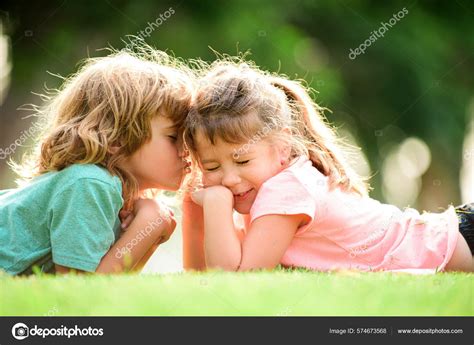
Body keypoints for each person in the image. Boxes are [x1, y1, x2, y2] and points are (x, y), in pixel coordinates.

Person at [182, 59, 474, 273]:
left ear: (283, 147)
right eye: (211, 166)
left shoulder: (285, 189)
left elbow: (236, 279)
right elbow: (203, 279)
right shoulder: (266, 190)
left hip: (461, 240)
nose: (230, 179)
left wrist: (217, 203)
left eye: (242, 160)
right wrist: (194, 211)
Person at [0, 47, 193, 275]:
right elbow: (77, 291)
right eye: (173, 137)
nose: (186, 150)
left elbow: (108, 291)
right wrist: (151, 223)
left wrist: (150, 232)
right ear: (117, 138)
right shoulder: (89, 183)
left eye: (188, 139)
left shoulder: (112, 193)